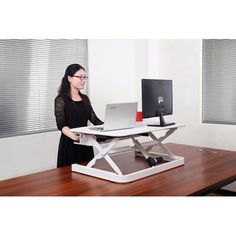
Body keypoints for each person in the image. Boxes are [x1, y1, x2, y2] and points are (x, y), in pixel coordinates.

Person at [54, 64, 103, 167]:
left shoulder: (85, 98)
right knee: (69, 180)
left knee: (87, 177)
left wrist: (111, 126)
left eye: (84, 77)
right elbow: (61, 124)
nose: (83, 80)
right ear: (70, 78)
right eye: (80, 77)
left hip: (86, 143)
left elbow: (94, 119)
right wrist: (76, 138)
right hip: (70, 144)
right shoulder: (61, 99)